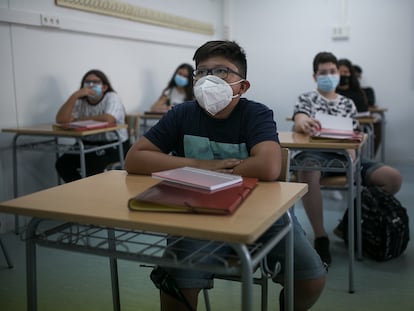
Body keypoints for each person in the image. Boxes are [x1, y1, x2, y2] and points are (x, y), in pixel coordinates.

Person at [125, 40, 326, 311]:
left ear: (242, 86)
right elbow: (135, 158)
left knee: (311, 280)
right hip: (195, 212)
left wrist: (189, 167)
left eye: (221, 72)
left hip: (261, 211)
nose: (209, 79)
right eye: (202, 72)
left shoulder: (255, 113)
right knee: (176, 289)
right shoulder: (182, 114)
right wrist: (200, 165)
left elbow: (268, 166)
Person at [293, 52, 402, 265]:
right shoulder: (307, 98)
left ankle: (348, 223)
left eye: (332, 71)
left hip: (345, 155)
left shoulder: (348, 103)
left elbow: (354, 136)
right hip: (315, 155)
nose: (328, 76)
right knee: (306, 169)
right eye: (323, 73)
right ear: (315, 76)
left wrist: (352, 159)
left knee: (393, 178)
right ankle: (321, 235)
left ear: (338, 74)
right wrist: (303, 122)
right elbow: (300, 117)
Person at [55, 69, 129, 183]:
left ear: (104, 87)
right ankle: (80, 193)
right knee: (62, 164)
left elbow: (109, 118)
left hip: (113, 143)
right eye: (87, 82)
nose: (91, 85)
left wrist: (78, 120)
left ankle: (92, 196)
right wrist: (75, 95)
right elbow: (61, 120)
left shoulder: (112, 97)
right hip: (87, 144)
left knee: (92, 164)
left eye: (95, 82)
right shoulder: (80, 101)